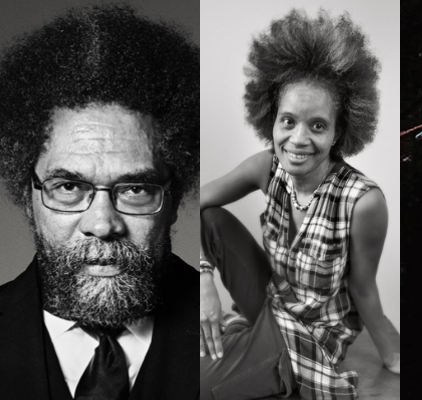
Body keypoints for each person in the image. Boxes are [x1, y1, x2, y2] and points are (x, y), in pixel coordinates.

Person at [0, 4, 200, 400]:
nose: (103, 223)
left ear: (175, 197)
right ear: (28, 196)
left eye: (135, 189)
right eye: (69, 188)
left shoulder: (242, 336)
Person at [199, 9, 400, 400]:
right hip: (270, 300)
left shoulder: (363, 201)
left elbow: (363, 288)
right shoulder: (265, 167)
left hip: (312, 333)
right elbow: (196, 207)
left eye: (318, 125)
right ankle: (255, 351)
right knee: (212, 219)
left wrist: (392, 353)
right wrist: (204, 276)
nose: (298, 139)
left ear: (340, 131)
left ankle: (279, 369)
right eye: (288, 121)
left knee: (196, 383)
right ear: (271, 120)